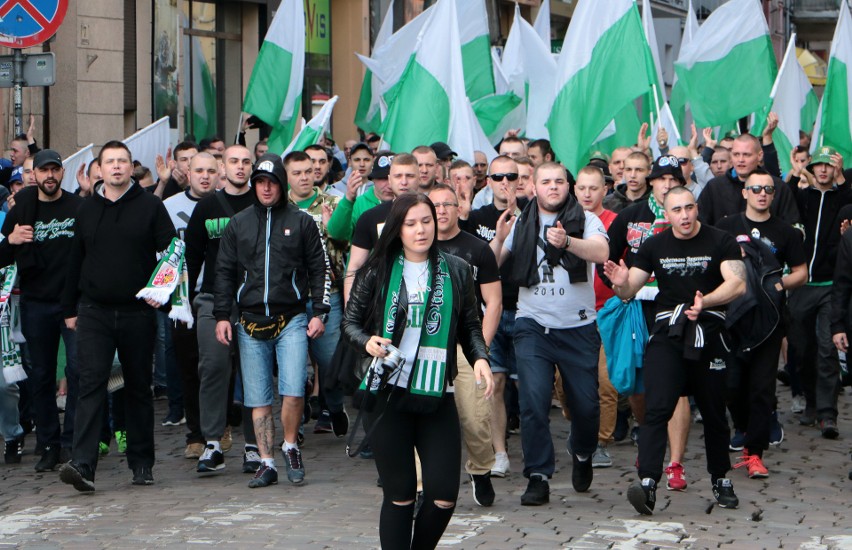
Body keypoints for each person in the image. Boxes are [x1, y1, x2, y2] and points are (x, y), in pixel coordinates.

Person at [342, 193, 493, 549]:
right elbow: (349, 324)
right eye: (410, 224)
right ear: (397, 229)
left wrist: (481, 358)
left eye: (426, 221)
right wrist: (367, 342)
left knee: (443, 495)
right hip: (388, 391)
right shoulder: (378, 270)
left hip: (436, 392)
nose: (421, 229)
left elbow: (470, 325)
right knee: (400, 495)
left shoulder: (455, 269)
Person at [604, 186, 746, 515]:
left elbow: (737, 283)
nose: (684, 216)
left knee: (713, 412)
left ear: (697, 209)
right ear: (666, 215)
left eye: (689, 208)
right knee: (657, 410)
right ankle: (648, 483)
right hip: (669, 334)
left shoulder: (719, 240)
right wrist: (621, 282)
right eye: (677, 210)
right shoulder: (655, 245)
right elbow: (629, 289)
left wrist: (705, 301)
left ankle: (721, 478)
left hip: (708, 332)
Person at [60, 140, 177, 491]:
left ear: (131, 167)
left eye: (122, 161)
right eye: (109, 162)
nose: (115, 167)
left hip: (137, 312)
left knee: (137, 388)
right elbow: (74, 261)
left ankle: (142, 463)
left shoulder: (151, 206)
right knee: (90, 384)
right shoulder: (86, 209)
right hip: (93, 310)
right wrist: (69, 309)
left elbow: (171, 251)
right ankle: (83, 465)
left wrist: (163, 294)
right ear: (99, 169)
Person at [490, 161, 609, 505]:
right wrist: (499, 239)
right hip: (533, 326)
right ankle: (538, 476)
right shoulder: (520, 222)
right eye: (546, 182)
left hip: (578, 327)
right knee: (533, 402)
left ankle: (583, 452)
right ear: (534, 188)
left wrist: (568, 241)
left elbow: (601, 252)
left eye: (559, 181)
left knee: (586, 407)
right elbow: (492, 264)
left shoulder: (585, 219)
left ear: (568, 187)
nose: (553, 187)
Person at [214, 154, 330, 489]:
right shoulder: (239, 223)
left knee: (293, 389)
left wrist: (320, 311)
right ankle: (266, 463)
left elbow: (320, 267)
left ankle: (290, 446)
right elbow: (223, 272)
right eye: (260, 182)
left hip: (291, 317)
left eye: (272, 182)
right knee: (258, 398)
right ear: (254, 185)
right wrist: (222, 315)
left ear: (281, 183)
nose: (266, 188)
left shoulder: (302, 221)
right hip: (249, 321)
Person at [604, 154, 693, 491]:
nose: (668, 184)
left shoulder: (688, 216)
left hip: (679, 307)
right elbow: (609, 257)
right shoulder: (630, 216)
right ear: (651, 182)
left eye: (674, 179)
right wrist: (619, 281)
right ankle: (649, 436)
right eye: (662, 179)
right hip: (639, 306)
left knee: (679, 383)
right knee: (641, 383)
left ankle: (675, 462)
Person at [716, 170, 808, 477]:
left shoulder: (786, 232)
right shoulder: (727, 226)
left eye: (768, 189)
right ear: (745, 192)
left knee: (762, 389)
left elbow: (801, 272)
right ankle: (743, 427)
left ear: (774, 193)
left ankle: (755, 453)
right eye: (755, 188)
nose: (761, 193)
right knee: (731, 385)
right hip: (733, 319)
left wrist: (777, 285)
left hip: (769, 322)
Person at [0, 149, 84, 471]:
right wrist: (12, 239)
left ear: (62, 172)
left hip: (73, 304)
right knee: (41, 376)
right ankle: (48, 443)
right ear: (33, 174)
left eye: (55, 170)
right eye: (43, 170)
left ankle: (71, 442)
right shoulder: (22, 206)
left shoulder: (78, 206)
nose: (50, 175)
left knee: (77, 371)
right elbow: (1, 256)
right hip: (36, 302)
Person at [184, 144, 259, 469]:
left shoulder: (263, 203)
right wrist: (188, 304)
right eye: (233, 162)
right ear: (222, 167)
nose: (240, 167)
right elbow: (192, 257)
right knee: (213, 370)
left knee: (255, 374)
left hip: (256, 303)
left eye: (246, 162)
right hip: (213, 300)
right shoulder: (207, 206)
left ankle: (256, 445)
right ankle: (212, 442)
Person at [429, 184, 502, 507]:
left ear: (460, 208)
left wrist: (480, 351)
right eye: (436, 205)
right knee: (424, 416)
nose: (442, 210)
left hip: (465, 344)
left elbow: (494, 302)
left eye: (448, 204)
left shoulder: (478, 249)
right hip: (426, 344)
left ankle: (481, 469)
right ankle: (421, 486)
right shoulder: (414, 247)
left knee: (475, 416)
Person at [459, 155, 524, 477]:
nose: (505, 182)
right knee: (495, 382)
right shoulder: (478, 217)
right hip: (489, 309)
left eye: (511, 176)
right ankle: (500, 451)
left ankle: (535, 443)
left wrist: (522, 218)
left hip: (527, 308)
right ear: (489, 181)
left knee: (528, 386)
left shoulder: (532, 213)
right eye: (498, 177)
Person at [284, 150, 350, 437]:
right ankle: (294, 425)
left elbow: (348, 241)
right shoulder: (278, 206)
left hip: (326, 294)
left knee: (329, 362)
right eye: (296, 173)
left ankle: (334, 407)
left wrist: (330, 226)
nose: (303, 177)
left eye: (308, 171)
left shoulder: (334, 203)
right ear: (286, 176)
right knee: (293, 366)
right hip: (288, 297)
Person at [786, 146, 850, 436]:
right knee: (801, 349)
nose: (823, 170)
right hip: (801, 283)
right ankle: (811, 403)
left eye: (828, 165)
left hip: (829, 284)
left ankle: (827, 413)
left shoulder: (843, 199)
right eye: (818, 166)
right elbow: (782, 200)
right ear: (811, 169)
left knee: (827, 348)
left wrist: (842, 183)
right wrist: (792, 171)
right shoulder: (803, 197)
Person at [572, 166, 618, 468]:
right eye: (582, 188)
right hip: (572, 315)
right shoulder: (564, 219)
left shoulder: (615, 222)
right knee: (566, 385)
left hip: (608, 310)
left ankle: (601, 441)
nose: (587, 193)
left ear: (605, 190)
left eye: (594, 188)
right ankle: (579, 426)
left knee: (605, 381)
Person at [344, 154, 419, 301]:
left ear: (419, 178)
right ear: (390, 179)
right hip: (380, 300)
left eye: (409, 176)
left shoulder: (434, 214)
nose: (404, 182)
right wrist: (349, 310)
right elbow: (355, 266)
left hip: (425, 298)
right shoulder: (370, 217)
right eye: (398, 176)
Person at [697, 134, 799, 226]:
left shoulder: (777, 186)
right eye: (736, 154)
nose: (740, 160)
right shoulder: (715, 187)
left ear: (759, 156)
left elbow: (792, 227)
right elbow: (701, 225)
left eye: (746, 155)